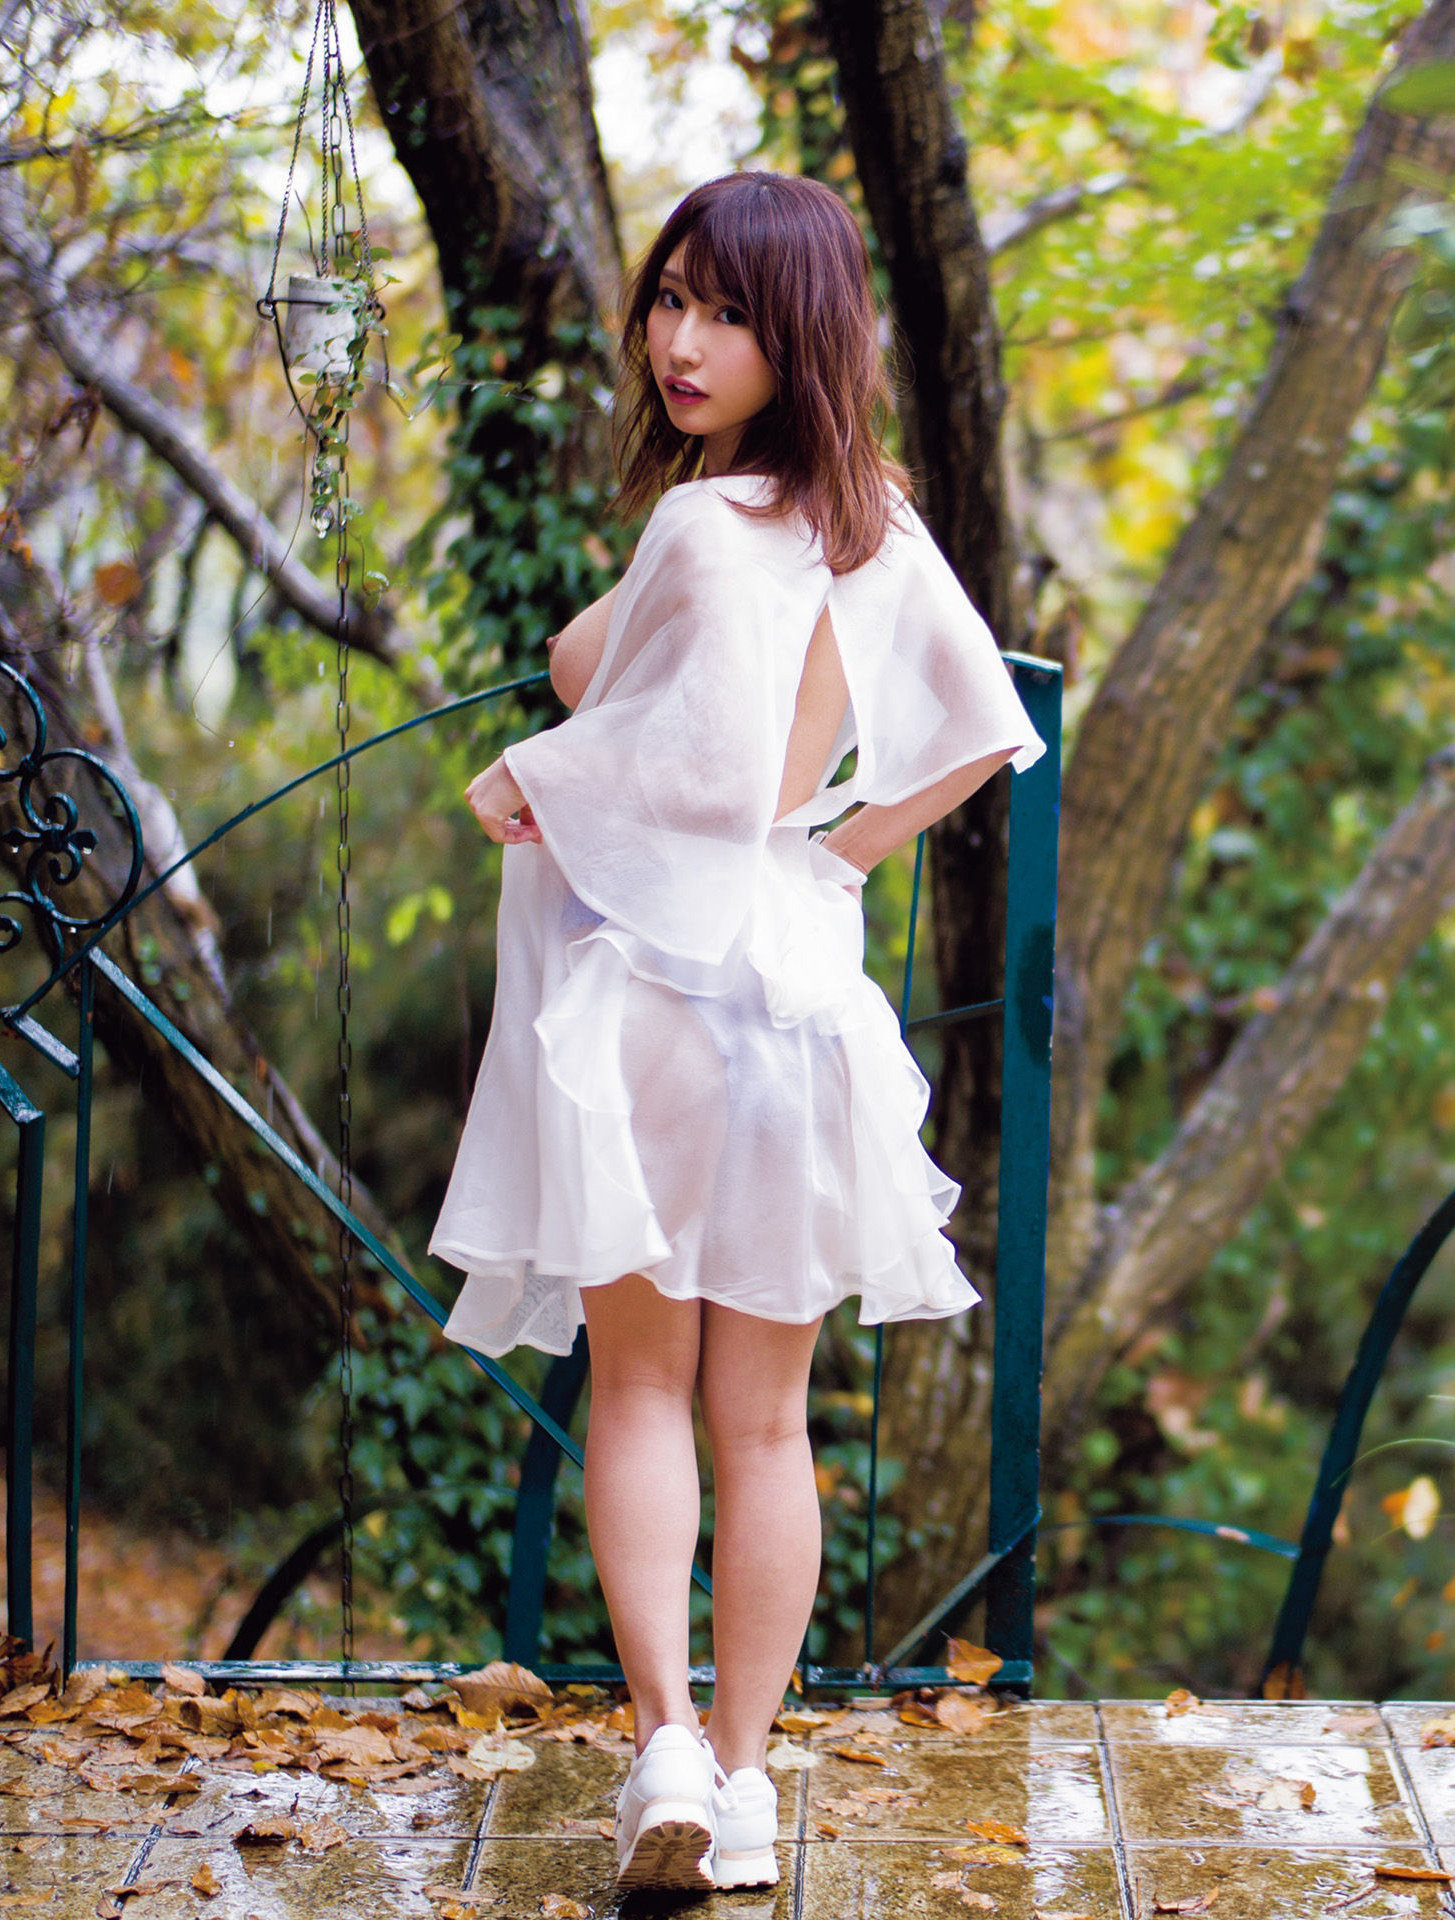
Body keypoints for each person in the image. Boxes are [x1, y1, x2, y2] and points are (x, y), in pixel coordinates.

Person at [430, 170, 1045, 1894]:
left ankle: (665, 1755)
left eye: (728, 312)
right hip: (795, 992)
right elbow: (982, 729)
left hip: (660, 988)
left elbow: (663, 755)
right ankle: (751, 1777)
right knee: (766, 1424)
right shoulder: (870, 526)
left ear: (801, 335)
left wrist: (529, 775)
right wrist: (837, 854)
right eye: (672, 299)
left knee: (640, 1386)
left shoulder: (704, 529)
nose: (682, 341)